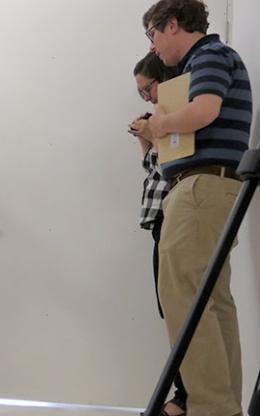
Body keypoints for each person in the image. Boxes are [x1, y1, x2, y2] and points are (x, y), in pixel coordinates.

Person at [139, 1, 252, 415]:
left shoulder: (209, 56)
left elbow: (205, 111)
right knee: (212, 301)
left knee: (185, 300)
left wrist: (159, 125)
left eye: (152, 35)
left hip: (200, 189)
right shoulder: (217, 58)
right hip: (216, 187)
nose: (153, 48)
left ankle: (209, 408)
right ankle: (221, 407)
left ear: (172, 24)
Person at [129, 52, 188, 416]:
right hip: (160, 221)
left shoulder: (177, 114)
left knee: (183, 309)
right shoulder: (162, 119)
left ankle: (186, 398)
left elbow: (176, 163)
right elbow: (153, 167)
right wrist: (146, 138)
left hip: (175, 217)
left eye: (147, 89)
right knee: (172, 309)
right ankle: (185, 394)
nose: (147, 98)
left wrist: (154, 131)